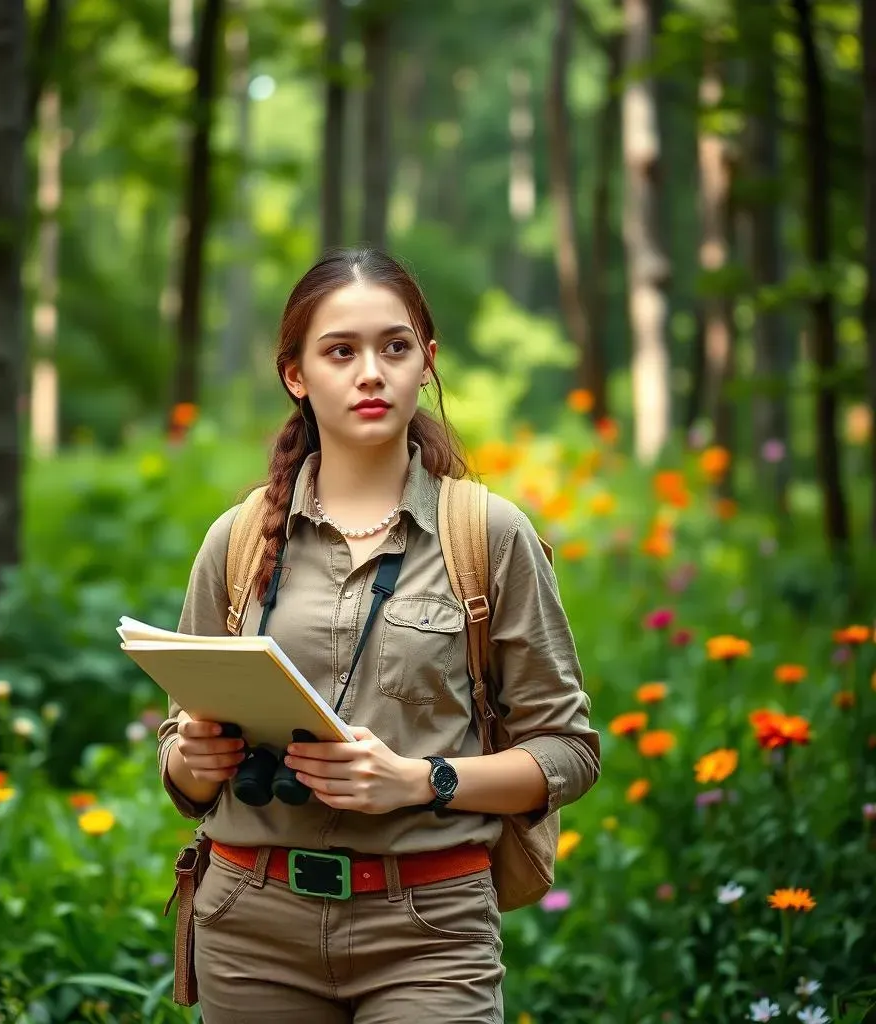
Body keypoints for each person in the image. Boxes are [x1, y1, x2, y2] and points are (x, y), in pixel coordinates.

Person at [156, 248, 600, 1024]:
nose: (371, 372)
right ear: (295, 374)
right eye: (340, 351)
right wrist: (191, 759)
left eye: (395, 347)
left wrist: (424, 780)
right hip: (248, 927)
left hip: (430, 932)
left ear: (426, 363)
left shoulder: (488, 534)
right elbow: (180, 759)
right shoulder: (236, 541)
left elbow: (570, 749)